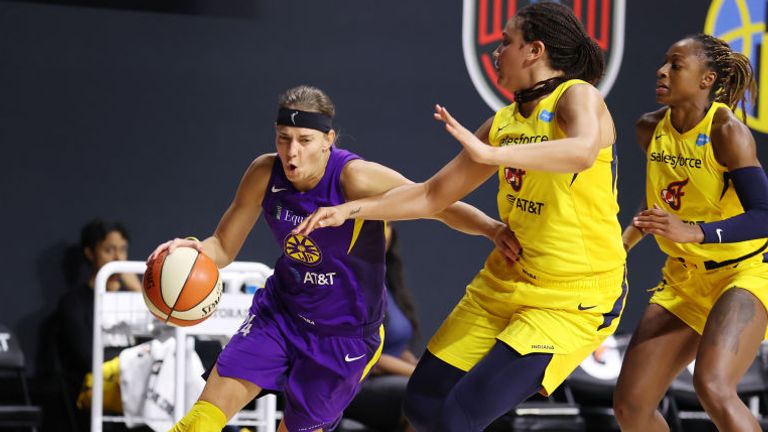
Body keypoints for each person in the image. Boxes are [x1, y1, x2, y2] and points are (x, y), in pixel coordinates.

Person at [294, 3, 627, 431]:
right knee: (422, 403)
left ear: (534, 51)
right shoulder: (503, 123)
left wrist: (493, 155)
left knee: (458, 418)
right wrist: (349, 210)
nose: (497, 50)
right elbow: (432, 195)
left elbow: (581, 151)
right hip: (507, 280)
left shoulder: (577, 95)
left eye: (506, 41)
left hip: (573, 299)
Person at [149, 85, 517, 432]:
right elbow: (223, 247)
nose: (292, 152)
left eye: (304, 141)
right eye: (283, 139)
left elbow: (435, 202)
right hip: (281, 315)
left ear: (328, 140)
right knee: (199, 421)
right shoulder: (264, 173)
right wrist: (194, 250)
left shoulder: (354, 177)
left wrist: (491, 229)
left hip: (345, 336)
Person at [613, 33, 768, 432]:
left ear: (706, 80)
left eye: (676, 65)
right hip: (685, 279)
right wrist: (621, 246)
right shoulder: (650, 129)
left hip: (743, 273)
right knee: (631, 408)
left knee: (713, 386)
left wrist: (697, 232)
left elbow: (765, 215)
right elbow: (661, 210)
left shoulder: (727, 132)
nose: (662, 71)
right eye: (665, 62)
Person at [55, 218, 142, 429]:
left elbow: (157, 346)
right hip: (98, 387)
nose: (118, 258)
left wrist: (140, 293)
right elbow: (87, 357)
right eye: (109, 250)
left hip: (137, 384)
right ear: (90, 253)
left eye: (122, 249)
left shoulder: (134, 300)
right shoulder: (74, 303)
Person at [343, 224, 419, 432]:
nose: (381, 229)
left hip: (388, 378)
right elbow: (372, 356)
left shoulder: (388, 279)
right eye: (371, 221)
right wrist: (419, 375)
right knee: (422, 392)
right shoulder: (349, 281)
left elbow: (398, 345)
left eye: (387, 223)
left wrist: (425, 369)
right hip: (357, 382)